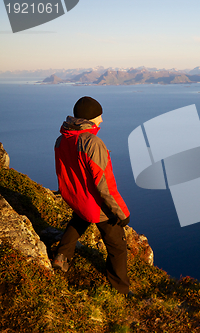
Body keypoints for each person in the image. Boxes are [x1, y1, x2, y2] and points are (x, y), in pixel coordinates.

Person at [52, 96, 132, 296]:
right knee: (117, 246)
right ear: (89, 119)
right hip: (96, 203)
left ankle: (61, 257)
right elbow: (104, 185)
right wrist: (121, 212)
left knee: (78, 221)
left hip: (76, 198)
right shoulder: (92, 143)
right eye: (99, 117)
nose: (102, 121)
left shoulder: (62, 139)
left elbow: (62, 171)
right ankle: (121, 289)